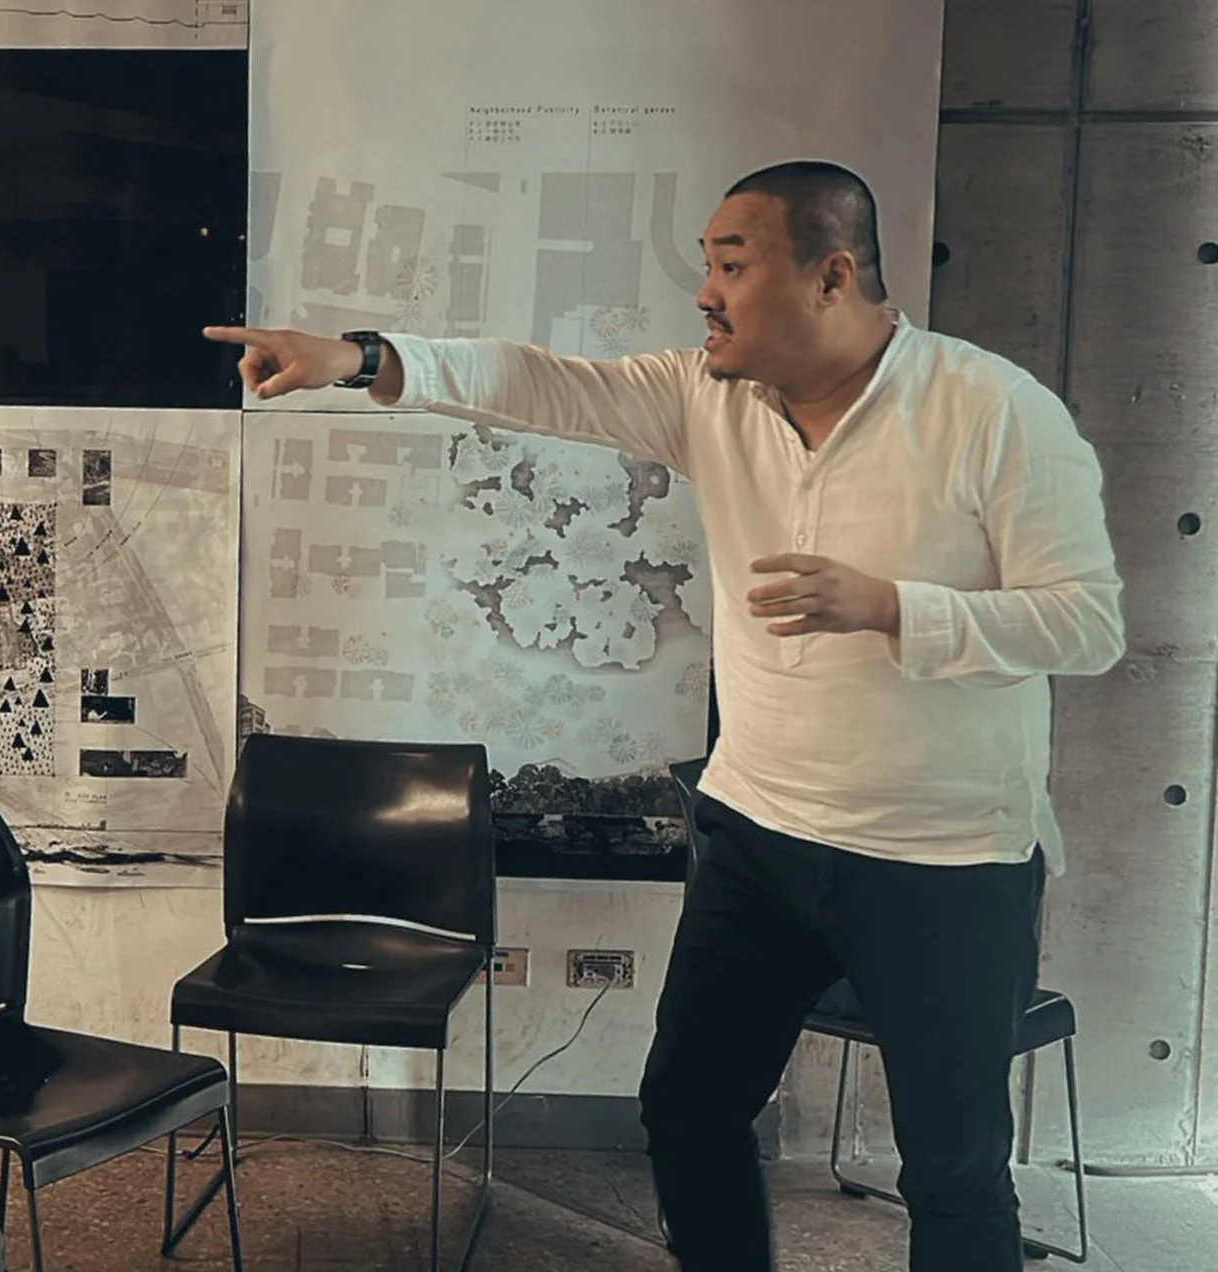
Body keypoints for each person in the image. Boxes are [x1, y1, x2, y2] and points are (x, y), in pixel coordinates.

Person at [208, 161, 1122, 1272]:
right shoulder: (709, 396)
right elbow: (537, 382)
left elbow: (1085, 624)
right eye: (705, 264)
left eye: (731, 264)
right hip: (757, 835)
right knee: (687, 1111)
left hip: (942, 859)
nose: (704, 292)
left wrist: (891, 607)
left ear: (831, 276)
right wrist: (359, 358)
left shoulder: (994, 411)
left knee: (952, 1173)